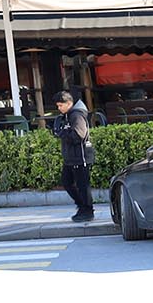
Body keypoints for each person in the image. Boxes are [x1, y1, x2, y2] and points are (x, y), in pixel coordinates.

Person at [48, 89, 95, 223]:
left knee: (82, 185)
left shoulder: (76, 115)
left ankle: (87, 210)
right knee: (67, 182)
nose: (59, 108)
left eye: (60, 105)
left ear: (69, 103)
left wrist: (62, 133)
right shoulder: (68, 115)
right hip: (71, 157)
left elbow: (79, 135)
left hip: (80, 157)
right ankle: (82, 206)